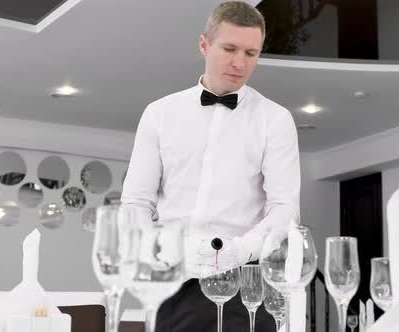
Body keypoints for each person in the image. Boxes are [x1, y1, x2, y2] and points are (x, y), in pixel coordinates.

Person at [121, 2, 300, 331]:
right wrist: (164, 250)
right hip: (172, 282)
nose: (239, 63)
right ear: (204, 44)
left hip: (245, 284)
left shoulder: (275, 119)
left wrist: (238, 251)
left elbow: (284, 208)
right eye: (229, 48)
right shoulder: (159, 114)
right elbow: (136, 203)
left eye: (251, 53)